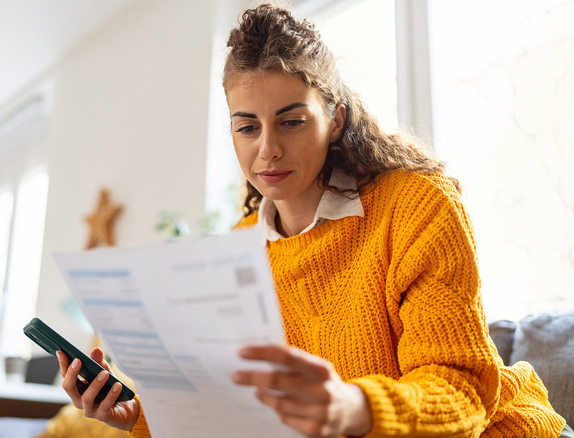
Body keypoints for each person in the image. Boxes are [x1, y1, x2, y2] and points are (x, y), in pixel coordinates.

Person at [56, 4, 570, 437]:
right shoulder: (239, 246)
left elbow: (462, 389)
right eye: (247, 127)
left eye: (292, 121)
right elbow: (236, 408)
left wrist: (351, 406)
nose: (268, 149)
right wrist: (138, 415)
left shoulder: (416, 206)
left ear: (335, 119)